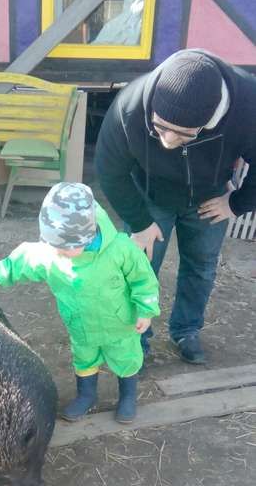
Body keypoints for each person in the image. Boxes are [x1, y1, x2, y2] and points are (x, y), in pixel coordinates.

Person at [95, 49, 256, 364]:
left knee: (201, 267)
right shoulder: (130, 105)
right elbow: (109, 170)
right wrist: (139, 222)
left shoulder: (248, 105)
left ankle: (186, 330)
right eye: (160, 127)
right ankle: (135, 339)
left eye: (182, 134)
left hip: (210, 198)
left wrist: (236, 204)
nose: (167, 140)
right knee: (139, 269)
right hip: (151, 197)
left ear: (210, 119)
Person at [0, 182, 160, 423]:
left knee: (126, 357)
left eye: (67, 247)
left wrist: (146, 309)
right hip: (81, 324)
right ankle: (86, 395)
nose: (60, 251)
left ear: (88, 235)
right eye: (55, 245)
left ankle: (128, 396)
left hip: (120, 323)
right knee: (84, 358)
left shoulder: (121, 249)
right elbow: (24, 260)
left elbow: (144, 279)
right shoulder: (51, 252)